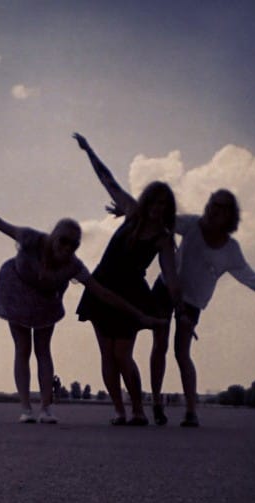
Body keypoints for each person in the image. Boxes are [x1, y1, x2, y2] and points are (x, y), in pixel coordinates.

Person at [0, 187, 164, 424]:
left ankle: (46, 408)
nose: (67, 248)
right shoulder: (30, 239)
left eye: (74, 245)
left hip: (45, 302)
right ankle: (26, 408)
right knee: (22, 348)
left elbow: (102, 293)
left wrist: (141, 316)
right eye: (63, 241)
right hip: (16, 293)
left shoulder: (73, 265)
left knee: (43, 349)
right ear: (54, 236)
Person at [111, 188, 255, 427]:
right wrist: (130, 213)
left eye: (221, 207)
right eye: (212, 203)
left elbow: (253, 279)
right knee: (160, 344)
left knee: (182, 352)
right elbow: (160, 221)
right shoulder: (192, 224)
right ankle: (157, 403)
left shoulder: (231, 250)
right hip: (166, 288)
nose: (213, 209)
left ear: (230, 215)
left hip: (192, 301)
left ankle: (191, 411)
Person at [72, 133, 179, 426]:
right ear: (147, 203)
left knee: (122, 354)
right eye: (154, 203)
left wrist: (179, 309)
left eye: (163, 205)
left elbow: (171, 277)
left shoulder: (163, 239)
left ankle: (138, 410)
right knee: (107, 354)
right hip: (102, 285)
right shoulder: (132, 213)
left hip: (130, 292)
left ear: (168, 209)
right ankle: (120, 410)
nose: (157, 209)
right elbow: (108, 181)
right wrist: (89, 150)